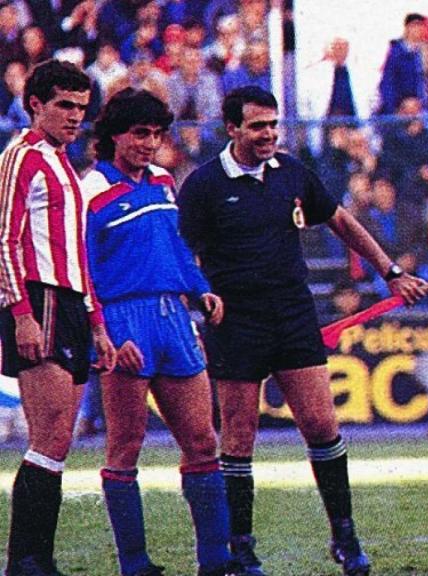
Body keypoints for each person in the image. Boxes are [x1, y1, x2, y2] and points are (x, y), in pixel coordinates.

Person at [177, 85, 427, 576]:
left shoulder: (291, 172)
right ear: (232, 129)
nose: (268, 134)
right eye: (257, 126)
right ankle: (242, 548)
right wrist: (198, 295)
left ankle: (345, 536)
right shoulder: (204, 185)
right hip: (236, 320)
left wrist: (389, 271)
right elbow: (183, 252)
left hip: (292, 314)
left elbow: (340, 220)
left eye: (273, 124)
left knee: (320, 424)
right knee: (239, 436)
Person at [81, 87, 236, 576]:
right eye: (139, 134)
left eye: (156, 134)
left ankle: (215, 561)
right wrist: (101, 333)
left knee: (202, 439)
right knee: (126, 445)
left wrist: (200, 288)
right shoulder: (91, 189)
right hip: (124, 320)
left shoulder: (164, 181)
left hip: (173, 318)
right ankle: (135, 564)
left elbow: (175, 247)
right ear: (113, 137)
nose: (149, 143)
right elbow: (81, 269)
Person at [0, 58, 117, 576]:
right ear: (35, 106)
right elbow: (3, 239)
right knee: (48, 432)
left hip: (71, 303)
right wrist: (20, 314)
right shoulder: (21, 156)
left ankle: (36, 558)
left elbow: (77, 253)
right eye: (64, 106)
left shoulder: (66, 165)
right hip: (40, 299)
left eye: (81, 108)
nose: (74, 117)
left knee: (60, 436)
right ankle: (25, 560)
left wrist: (96, 324)